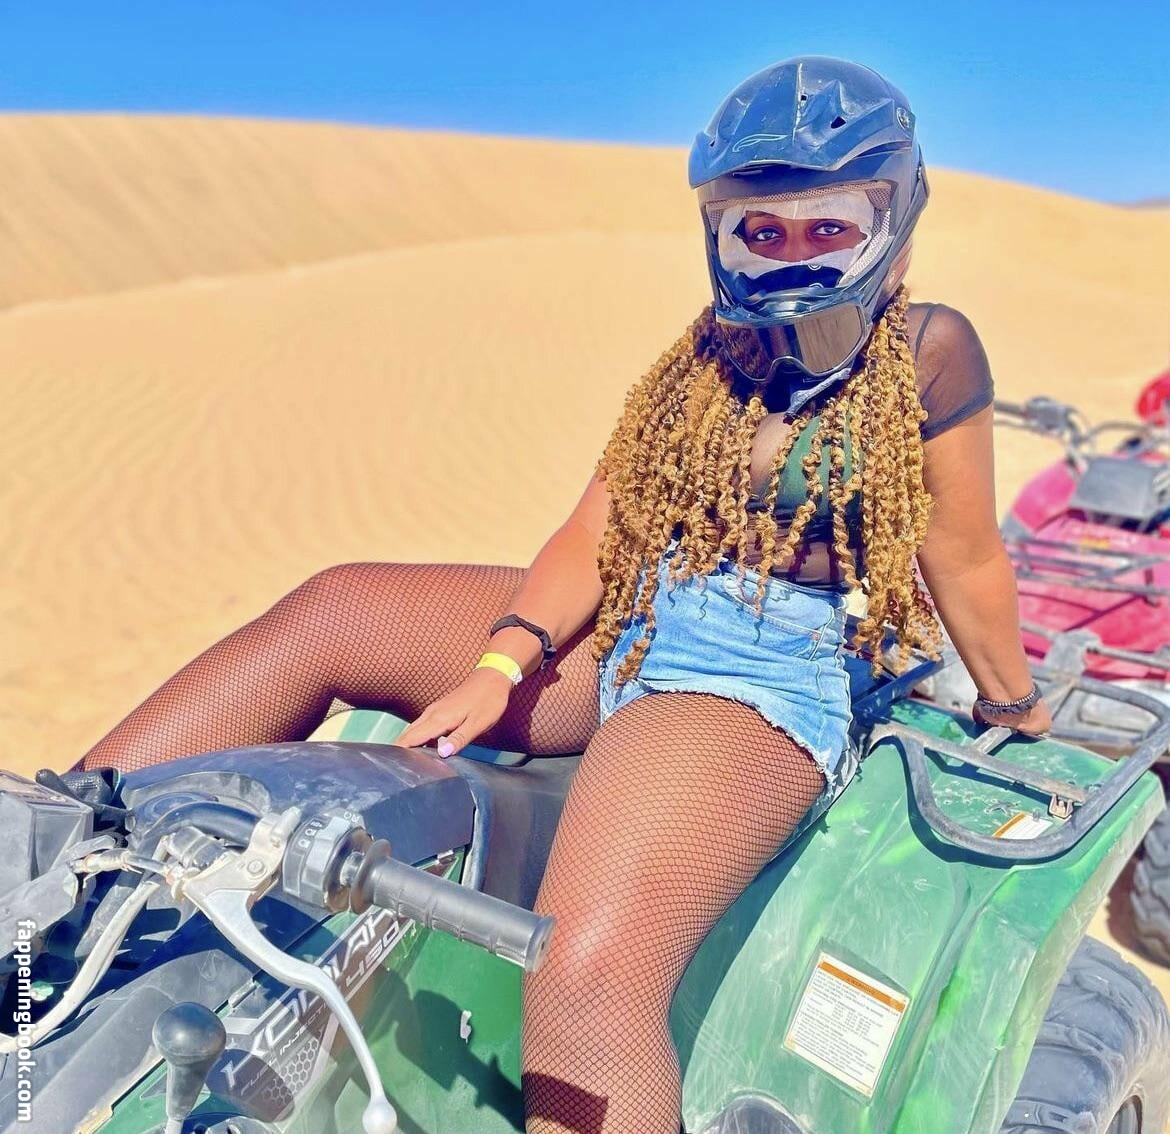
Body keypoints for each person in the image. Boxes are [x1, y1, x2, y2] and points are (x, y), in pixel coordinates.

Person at [76, 56, 1051, 1134]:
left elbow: (965, 557)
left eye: (828, 226)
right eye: (760, 231)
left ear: (892, 217)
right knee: (336, 609)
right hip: (641, 616)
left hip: (766, 676)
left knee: (586, 972)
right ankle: (53, 859)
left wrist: (1011, 704)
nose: (791, 255)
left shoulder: (928, 350)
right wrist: (504, 662)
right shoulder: (710, 349)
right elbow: (596, 529)